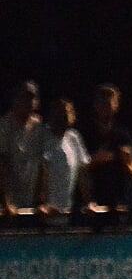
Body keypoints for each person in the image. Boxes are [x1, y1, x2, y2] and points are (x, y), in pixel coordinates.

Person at [80, 84, 132, 219]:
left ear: (116, 105)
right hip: (91, 205)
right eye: (102, 101)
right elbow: (78, 169)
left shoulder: (122, 136)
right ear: (95, 105)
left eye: (110, 101)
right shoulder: (85, 134)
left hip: (117, 205)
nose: (106, 105)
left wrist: (127, 163)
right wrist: (94, 160)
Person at [1, 81, 49, 219]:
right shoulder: (4, 126)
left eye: (31, 97)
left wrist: (41, 200)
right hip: (9, 206)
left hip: (31, 203)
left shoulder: (39, 126)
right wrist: (6, 203)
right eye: (23, 97)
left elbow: (42, 165)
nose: (27, 101)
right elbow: (2, 165)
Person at [41, 97, 89, 218]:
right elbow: (41, 173)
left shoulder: (74, 138)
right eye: (58, 113)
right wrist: (42, 204)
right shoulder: (42, 137)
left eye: (66, 113)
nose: (62, 117)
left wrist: (88, 202)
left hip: (66, 212)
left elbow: (83, 174)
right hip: (45, 214)